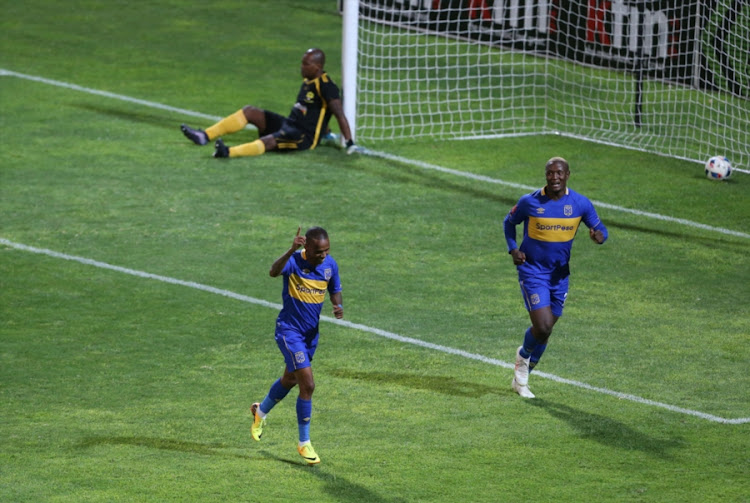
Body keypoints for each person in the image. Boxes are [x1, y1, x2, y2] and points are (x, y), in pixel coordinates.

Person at [503, 157, 608, 398]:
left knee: (546, 331)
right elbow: (509, 223)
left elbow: (602, 230)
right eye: (550, 173)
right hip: (533, 271)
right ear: (546, 175)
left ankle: (524, 375)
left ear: (568, 174)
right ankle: (522, 360)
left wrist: (599, 236)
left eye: (559, 173)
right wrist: (513, 249)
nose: (555, 178)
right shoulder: (530, 202)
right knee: (543, 325)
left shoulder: (580, 204)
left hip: (560, 276)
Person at [250, 226, 343, 465]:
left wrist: (337, 305)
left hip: (311, 336)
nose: (323, 255)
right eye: (319, 251)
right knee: (308, 385)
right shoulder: (294, 262)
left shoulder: (330, 265)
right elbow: (273, 272)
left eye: (327, 250)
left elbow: (335, 288)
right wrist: (291, 249)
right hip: (289, 332)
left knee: (290, 379)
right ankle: (304, 444)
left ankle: (260, 412)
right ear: (307, 247)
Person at [180, 48, 358, 158]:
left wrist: (349, 142)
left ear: (317, 67)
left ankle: (227, 152)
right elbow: (315, 112)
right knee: (250, 111)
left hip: (303, 137)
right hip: (289, 124)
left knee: (270, 141)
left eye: (306, 64)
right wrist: (327, 132)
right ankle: (204, 136)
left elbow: (338, 114)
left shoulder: (326, 86)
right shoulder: (308, 80)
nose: (301, 67)